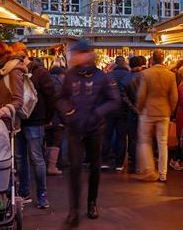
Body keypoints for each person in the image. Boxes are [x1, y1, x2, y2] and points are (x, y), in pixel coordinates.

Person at [56, 40, 120, 229]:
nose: (74, 57)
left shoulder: (102, 77)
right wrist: (67, 112)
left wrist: (96, 114)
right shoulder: (70, 75)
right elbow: (61, 97)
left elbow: (114, 100)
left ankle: (92, 202)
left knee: (94, 167)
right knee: (74, 168)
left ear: (87, 55)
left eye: (77, 53)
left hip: (94, 129)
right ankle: (73, 210)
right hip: (75, 128)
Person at [16, 49, 56, 209]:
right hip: (20, 121)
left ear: (24, 57)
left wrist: (47, 118)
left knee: (35, 158)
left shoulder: (40, 73)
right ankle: (25, 192)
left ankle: (41, 194)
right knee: (21, 158)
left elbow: (52, 96)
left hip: (35, 121)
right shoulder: (16, 73)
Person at [135, 49, 178, 182]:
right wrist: (170, 110)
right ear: (163, 59)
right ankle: (163, 173)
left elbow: (141, 95)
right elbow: (174, 96)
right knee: (163, 143)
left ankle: (149, 169)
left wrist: (139, 109)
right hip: (164, 112)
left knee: (145, 140)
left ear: (152, 60)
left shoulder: (146, 74)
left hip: (148, 111)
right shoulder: (170, 75)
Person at [0, 43, 27, 132]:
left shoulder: (13, 70)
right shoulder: (1, 71)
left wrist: (3, 111)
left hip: (9, 123)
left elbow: (18, 100)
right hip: (0, 122)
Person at [102, 56, 130, 172]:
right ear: (124, 63)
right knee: (121, 137)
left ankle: (104, 161)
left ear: (115, 64)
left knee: (107, 136)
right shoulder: (128, 76)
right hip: (123, 110)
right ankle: (119, 163)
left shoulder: (108, 76)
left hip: (109, 110)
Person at [122, 55, 146, 171]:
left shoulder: (125, 79)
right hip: (145, 112)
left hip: (131, 113)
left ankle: (133, 161)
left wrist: (133, 108)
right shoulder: (146, 76)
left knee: (132, 138)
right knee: (145, 138)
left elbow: (124, 97)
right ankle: (143, 162)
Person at [46, 65, 66, 176]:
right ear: (59, 75)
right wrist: (65, 120)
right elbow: (61, 106)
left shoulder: (47, 83)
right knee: (56, 142)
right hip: (57, 119)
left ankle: (48, 165)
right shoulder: (59, 86)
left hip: (47, 118)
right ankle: (52, 167)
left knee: (49, 141)